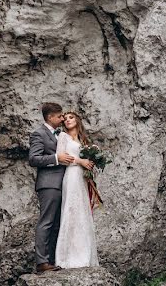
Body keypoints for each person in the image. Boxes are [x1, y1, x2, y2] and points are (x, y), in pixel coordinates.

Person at [28, 102, 76, 272]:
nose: (62, 118)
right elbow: (33, 159)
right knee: (46, 222)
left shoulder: (60, 134)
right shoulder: (38, 134)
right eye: (59, 116)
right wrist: (56, 158)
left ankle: (52, 259)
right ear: (50, 117)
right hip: (48, 183)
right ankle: (42, 262)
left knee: (56, 223)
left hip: (62, 183)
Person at [54, 111, 99, 268]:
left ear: (77, 120)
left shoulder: (83, 140)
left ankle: (85, 254)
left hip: (82, 178)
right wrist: (81, 161)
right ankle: (66, 257)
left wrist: (90, 166)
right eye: (65, 119)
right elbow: (61, 157)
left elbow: (88, 161)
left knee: (83, 213)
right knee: (71, 211)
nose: (67, 121)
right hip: (72, 176)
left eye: (71, 117)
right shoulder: (63, 137)